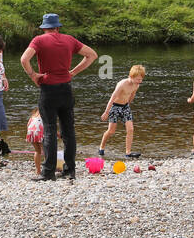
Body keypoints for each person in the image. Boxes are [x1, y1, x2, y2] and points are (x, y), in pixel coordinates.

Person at [20, 13, 98, 181]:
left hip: (48, 89)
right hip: (66, 89)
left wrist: (33, 75)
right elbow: (92, 55)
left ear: (44, 28)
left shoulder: (39, 40)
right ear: (58, 27)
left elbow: (24, 59)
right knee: (68, 131)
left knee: (49, 129)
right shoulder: (69, 40)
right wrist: (73, 72)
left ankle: (48, 172)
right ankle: (70, 170)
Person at [100, 64, 145, 159]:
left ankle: (128, 152)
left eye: (141, 79)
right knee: (111, 131)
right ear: (131, 76)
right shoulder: (122, 84)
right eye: (138, 79)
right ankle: (102, 147)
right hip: (115, 107)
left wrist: (128, 105)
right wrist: (106, 112)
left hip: (125, 107)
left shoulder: (136, 85)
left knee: (130, 129)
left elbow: (132, 94)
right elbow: (112, 98)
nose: (140, 82)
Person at [25, 108, 45, 176]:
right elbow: (49, 126)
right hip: (39, 132)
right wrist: (58, 134)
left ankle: (38, 170)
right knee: (46, 150)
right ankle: (47, 168)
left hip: (31, 132)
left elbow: (28, 125)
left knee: (37, 151)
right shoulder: (45, 114)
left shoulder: (33, 115)